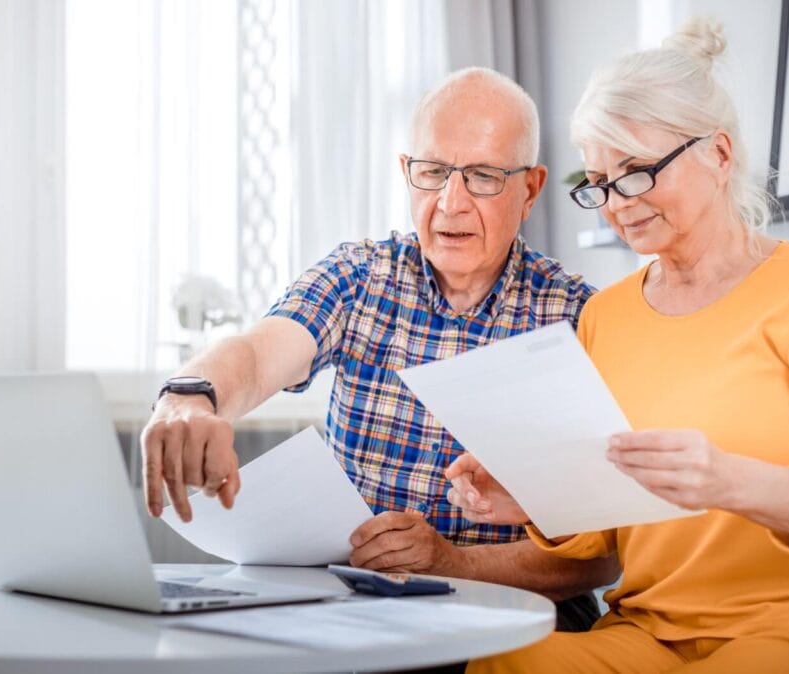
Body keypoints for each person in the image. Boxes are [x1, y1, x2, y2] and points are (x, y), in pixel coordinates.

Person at [447, 18, 789, 673]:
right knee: (502, 663)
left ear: (719, 154)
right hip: (649, 634)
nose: (615, 203)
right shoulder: (604, 318)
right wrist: (537, 498)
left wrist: (729, 482)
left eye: (637, 173)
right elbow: (605, 534)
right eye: (600, 182)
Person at [140, 67, 619, 633]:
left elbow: (601, 555)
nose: (450, 203)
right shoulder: (359, 276)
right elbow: (258, 351)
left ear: (531, 189)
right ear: (406, 173)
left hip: (511, 617)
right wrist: (190, 398)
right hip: (353, 608)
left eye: (484, 176)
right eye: (433, 171)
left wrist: (451, 561)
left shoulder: (580, 319)